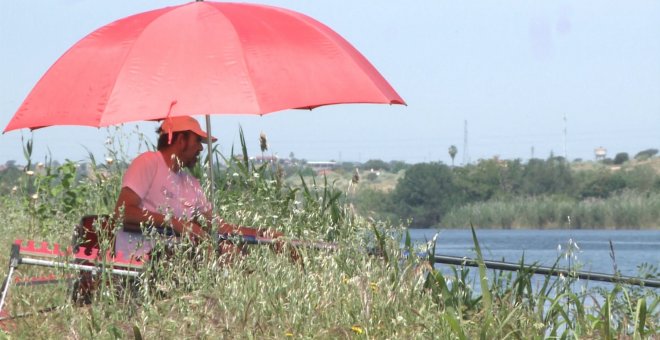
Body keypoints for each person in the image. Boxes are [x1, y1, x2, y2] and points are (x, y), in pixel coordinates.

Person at [114, 116, 272, 258]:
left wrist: (266, 235)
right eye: (197, 141)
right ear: (181, 140)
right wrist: (176, 223)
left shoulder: (191, 183)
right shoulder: (149, 162)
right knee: (224, 254)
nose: (201, 148)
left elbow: (221, 227)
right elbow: (122, 212)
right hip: (141, 257)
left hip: (174, 256)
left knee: (234, 251)